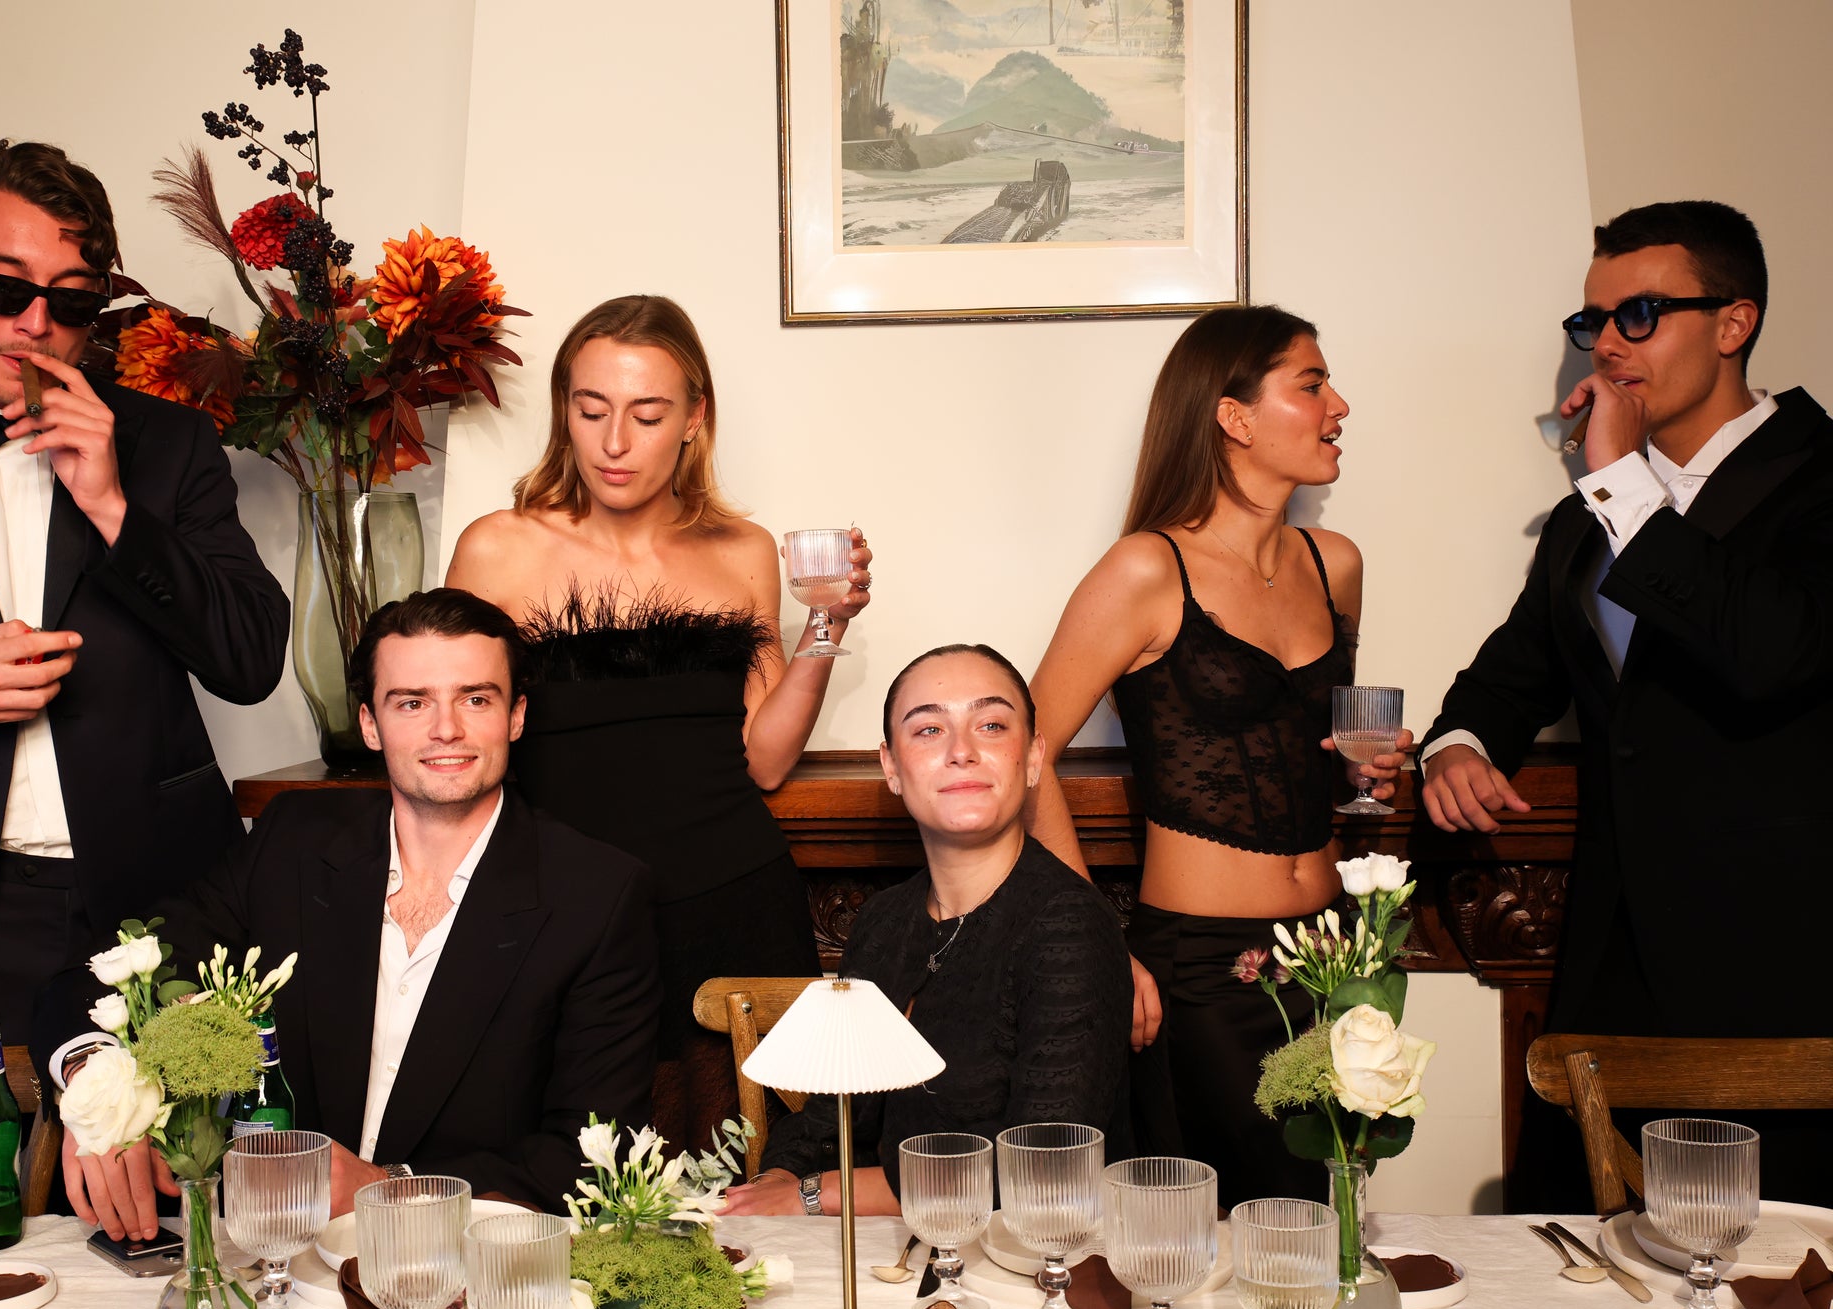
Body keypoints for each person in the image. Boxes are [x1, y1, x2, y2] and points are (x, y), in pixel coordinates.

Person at [0, 139, 288, 1209]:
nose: (35, 324)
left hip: (154, 906)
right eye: (4, 288)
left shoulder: (168, 447)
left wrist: (116, 506)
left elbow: (250, 659)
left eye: (71, 303)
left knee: (176, 1235)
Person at [1420, 201, 1833, 1206]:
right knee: (1576, 1264)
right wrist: (1456, 743)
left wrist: (1616, 483)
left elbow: (1764, 652)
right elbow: (1513, 670)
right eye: (1591, 321)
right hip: (1607, 961)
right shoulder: (1586, 517)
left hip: (1772, 964)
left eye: (1636, 314)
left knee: (1770, 1275)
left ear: (1731, 323)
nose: (1603, 344)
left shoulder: (1820, 482)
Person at [58, 589, 661, 1236]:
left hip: (464, 1265)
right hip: (279, 1260)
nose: (446, 728)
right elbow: (121, 962)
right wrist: (98, 1083)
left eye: (476, 698)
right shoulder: (293, 841)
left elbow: (593, 1159)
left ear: (516, 716)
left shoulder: (597, 893)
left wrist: (388, 1188)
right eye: (412, 702)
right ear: (370, 723)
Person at [445, 294, 871, 1153]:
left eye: (646, 414)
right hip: (565, 911)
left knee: (749, 1176)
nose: (612, 442)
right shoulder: (498, 547)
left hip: (732, 904)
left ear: (694, 418)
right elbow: (451, 726)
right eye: (590, 409)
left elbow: (765, 760)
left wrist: (827, 623)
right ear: (564, 406)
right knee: (571, 1174)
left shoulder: (742, 549)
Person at [1025, 306, 1409, 1205]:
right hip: (1199, 972)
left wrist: (1371, 769)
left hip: (1336, 956)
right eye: (1311, 384)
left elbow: (1304, 751)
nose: (1338, 404)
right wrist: (1096, 947)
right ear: (1234, 416)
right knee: (1226, 1242)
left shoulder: (1336, 563)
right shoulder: (1146, 570)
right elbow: (1025, 751)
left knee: (1325, 1228)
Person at [721, 645, 1131, 1217]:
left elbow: (1039, 1168)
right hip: (899, 1251)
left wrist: (813, 1196)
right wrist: (774, 1183)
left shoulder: (1069, 924)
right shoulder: (886, 919)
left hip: (1027, 1266)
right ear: (890, 767)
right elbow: (831, 1115)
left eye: (991, 725)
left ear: (1033, 757)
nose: (961, 752)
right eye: (929, 730)